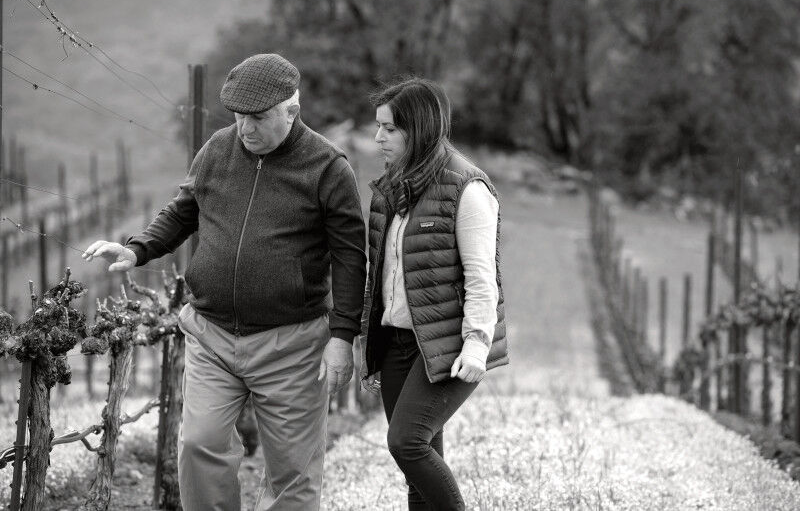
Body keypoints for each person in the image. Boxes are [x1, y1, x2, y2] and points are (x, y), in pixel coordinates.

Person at [82, 53, 367, 511]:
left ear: (291, 112)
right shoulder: (218, 148)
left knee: (293, 474)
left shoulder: (328, 167)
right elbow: (182, 211)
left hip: (291, 345)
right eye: (238, 118)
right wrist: (137, 249)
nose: (245, 129)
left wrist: (343, 337)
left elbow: (352, 258)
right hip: (212, 336)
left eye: (257, 118)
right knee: (198, 446)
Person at [360, 78, 509, 510]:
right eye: (378, 127)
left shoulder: (467, 188)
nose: (378, 138)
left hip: (445, 345)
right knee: (417, 468)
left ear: (418, 128)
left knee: (406, 443)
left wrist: (477, 343)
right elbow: (382, 274)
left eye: (389, 128)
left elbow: (483, 277)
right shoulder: (391, 187)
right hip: (397, 345)